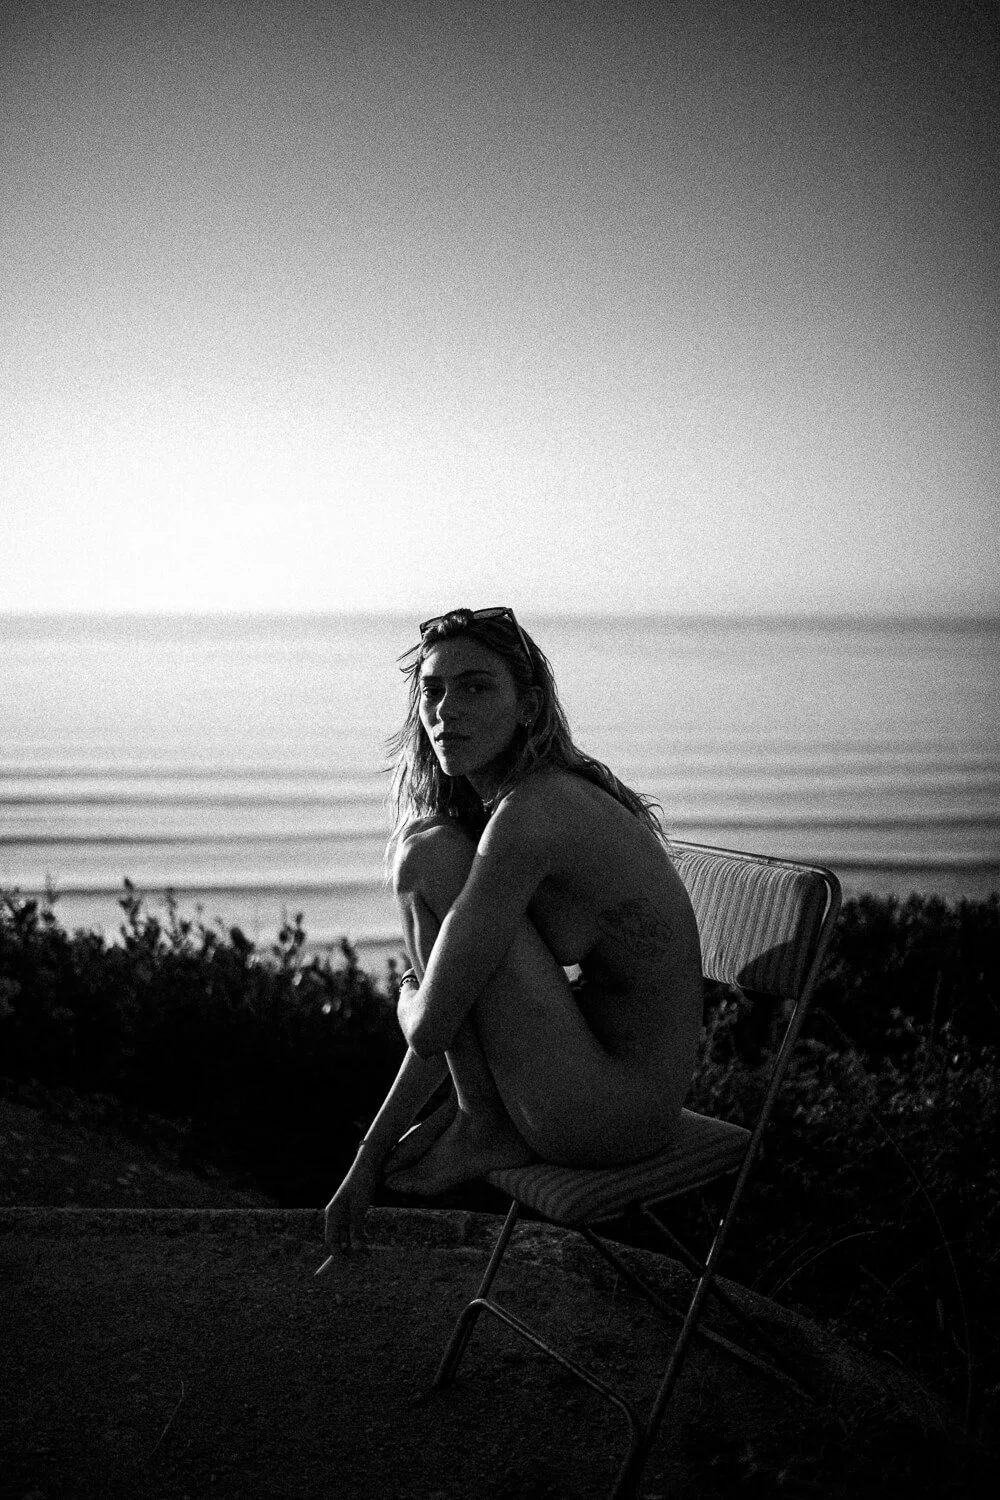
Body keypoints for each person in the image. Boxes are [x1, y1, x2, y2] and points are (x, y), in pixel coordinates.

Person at [324, 607, 703, 1255]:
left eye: (475, 687)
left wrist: (409, 995)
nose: (447, 711)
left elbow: (432, 1026)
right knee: (431, 847)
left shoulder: (532, 814)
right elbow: (458, 1006)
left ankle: (483, 1119)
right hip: (611, 1092)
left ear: (528, 706)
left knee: (423, 854)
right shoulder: (526, 801)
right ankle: (481, 1118)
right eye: (433, 691)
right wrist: (368, 1156)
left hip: (611, 1117)